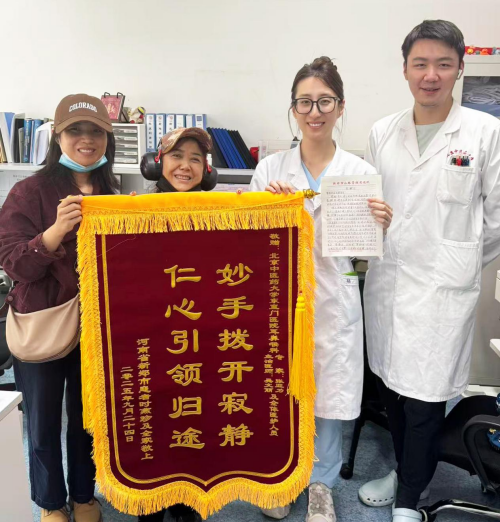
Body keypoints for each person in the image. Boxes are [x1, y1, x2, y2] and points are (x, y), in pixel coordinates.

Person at [358, 20, 500, 522]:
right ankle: (405, 470)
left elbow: (496, 219)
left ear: (459, 69)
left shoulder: (485, 132)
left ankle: (408, 500)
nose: (431, 75)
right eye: (420, 63)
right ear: (405, 70)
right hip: (388, 282)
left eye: (443, 64)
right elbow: (368, 206)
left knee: (425, 398)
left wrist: (454, 260)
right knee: (391, 389)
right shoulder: (382, 132)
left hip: (442, 290)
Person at [249, 57, 393, 522]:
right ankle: (280, 478)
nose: (315, 112)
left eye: (325, 101)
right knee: (280, 391)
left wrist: (380, 227)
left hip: (334, 296)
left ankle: (320, 486)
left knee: (329, 397)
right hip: (278, 301)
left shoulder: (359, 171)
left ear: (340, 106)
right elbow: (247, 250)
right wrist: (264, 212)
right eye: (305, 102)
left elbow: (366, 257)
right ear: (293, 108)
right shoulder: (269, 170)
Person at [0, 94, 119, 522]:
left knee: (89, 418)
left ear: (107, 139)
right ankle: (51, 503)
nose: (86, 139)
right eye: (75, 130)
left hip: (97, 326)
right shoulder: (29, 191)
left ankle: (85, 496)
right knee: (43, 420)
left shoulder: (112, 193)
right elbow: (12, 262)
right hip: (43, 321)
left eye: (96, 131)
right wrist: (53, 233)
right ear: (57, 136)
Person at [137, 126, 217, 522]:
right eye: (176, 156)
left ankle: (188, 502)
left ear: (207, 170)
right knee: (154, 419)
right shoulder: (133, 212)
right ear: (158, 162)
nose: (185, 166)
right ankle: (152, 502)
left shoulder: (221, 214)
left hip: (198, 341)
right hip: (151, 339)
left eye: (195, 159)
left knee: (194, 417)